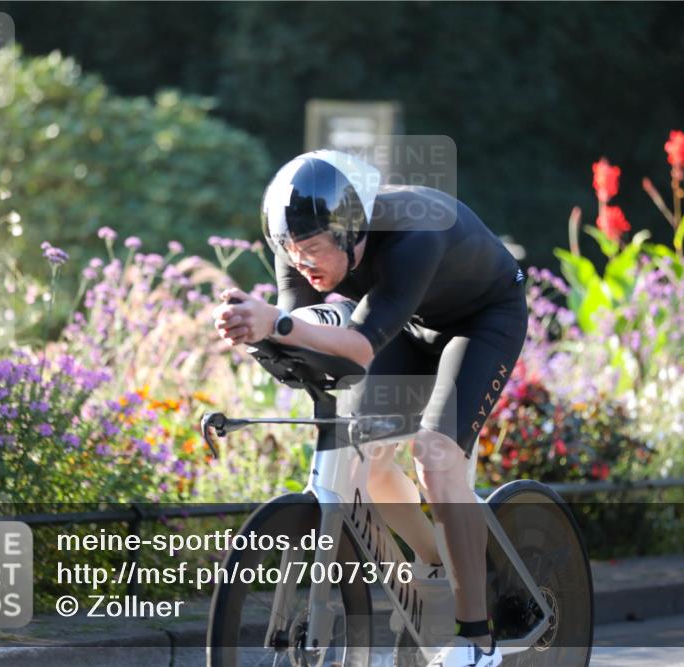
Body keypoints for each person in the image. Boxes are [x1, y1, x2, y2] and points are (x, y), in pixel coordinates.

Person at [212, 149, 527, 667]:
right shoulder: (297, 249)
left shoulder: (411, 237)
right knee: (365, 454)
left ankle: (478, 644)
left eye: (312, 248)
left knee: (436, 456)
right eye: (289, 249)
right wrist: (253, 333)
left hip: (482, 319)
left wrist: (278, 325)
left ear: (353, 233)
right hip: (407, 320)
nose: (300, 261)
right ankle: (438, 568)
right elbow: (300, 330)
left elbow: (358, 345)